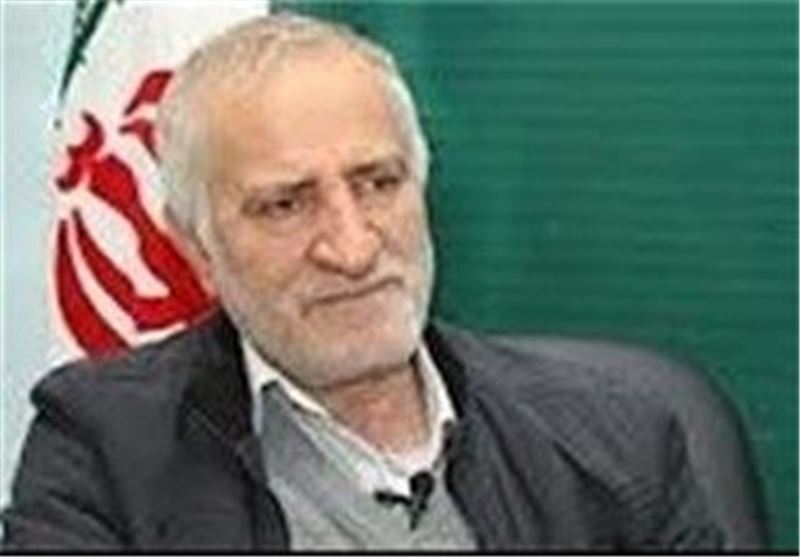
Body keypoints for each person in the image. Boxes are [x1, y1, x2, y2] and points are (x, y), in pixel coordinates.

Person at [2, 13, 727, 551]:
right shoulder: (104, 451)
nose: (351, 249)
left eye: (378, 182)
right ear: (198, 250)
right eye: (285, 204)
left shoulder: (618, 442)